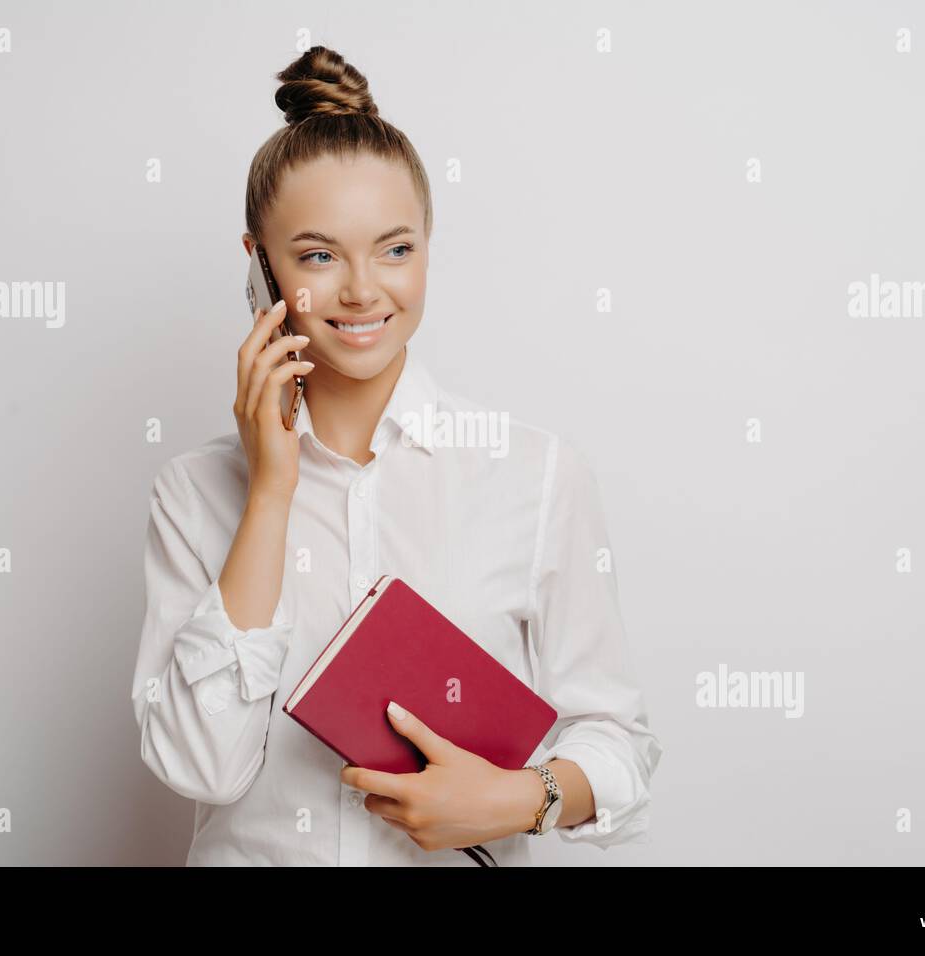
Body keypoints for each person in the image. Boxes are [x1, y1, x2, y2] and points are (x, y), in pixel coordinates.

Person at [130, 45, 661, 866]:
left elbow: (622, 744)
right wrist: (270, 496)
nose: (362, 290)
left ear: (427, 247)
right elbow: (202, 767)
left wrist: (520, 798)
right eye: (316, 255)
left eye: (395, 248)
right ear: (259, 266)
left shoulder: (537, 474)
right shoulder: (196, 493)